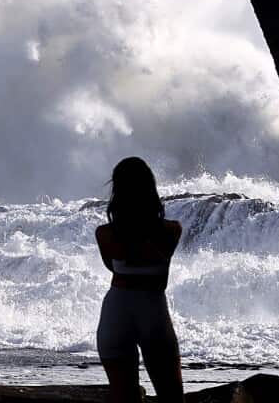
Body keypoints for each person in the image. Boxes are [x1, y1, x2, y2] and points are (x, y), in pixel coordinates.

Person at [95, 156, 184, 403]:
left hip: (116, 313)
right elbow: (156, 264)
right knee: (172, 399)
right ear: (151, 188)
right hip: (154, 313)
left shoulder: (105, 234)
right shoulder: (171, 230)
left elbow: (113, 267)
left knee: (125, 398)